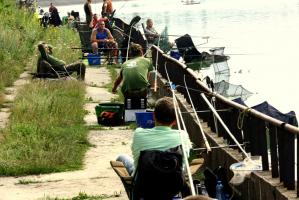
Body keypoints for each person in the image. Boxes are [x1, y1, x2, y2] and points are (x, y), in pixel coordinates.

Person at [116, 96, 192, 176]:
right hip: (173, 182)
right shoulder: (183, 135)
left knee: (121, 157)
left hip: (142, 183)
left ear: (153, 115)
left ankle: (132, 187)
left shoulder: (138, 133)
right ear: (175, 121)